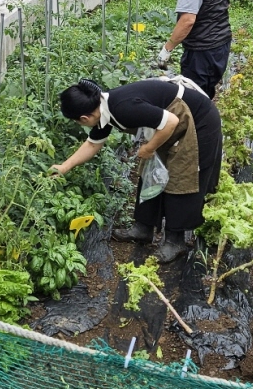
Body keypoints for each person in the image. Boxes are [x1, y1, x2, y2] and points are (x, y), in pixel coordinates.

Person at [52, 76, 222, 263]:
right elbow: (93, 144)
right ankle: (143, 228)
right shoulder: (104, 109)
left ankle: (175, 241)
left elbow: (171, 121)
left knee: (180, 175)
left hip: (199, 121)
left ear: (85, 117)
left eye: (78, 122)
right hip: (171, 125)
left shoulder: (123, 108)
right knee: (151, 172)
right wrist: (64, 167)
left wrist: (149, 148)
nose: (80, 124)